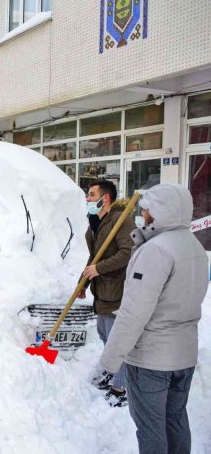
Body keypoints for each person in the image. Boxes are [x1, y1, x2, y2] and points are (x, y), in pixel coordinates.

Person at [101, 184, 208, 454]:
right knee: (175, 419)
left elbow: (133, 313)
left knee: (150, 427)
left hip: (152, 360)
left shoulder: (155, 251)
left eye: (146, 208)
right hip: (184, 356)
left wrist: (110, 361)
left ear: (158, 211)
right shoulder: (194, 247)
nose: (143, 213)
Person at [78, 179, 135, 407]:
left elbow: (129, 252)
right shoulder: (97, 222)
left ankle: (122, 386)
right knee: (104, 335)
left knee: (116, 342)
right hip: (103, 291)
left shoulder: (122, 221)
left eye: (91, 195)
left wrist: (99, 269)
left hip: (117, 290)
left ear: (106, 198)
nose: (87, 199)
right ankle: (114, 373)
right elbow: (94, 258)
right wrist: (82, 283)